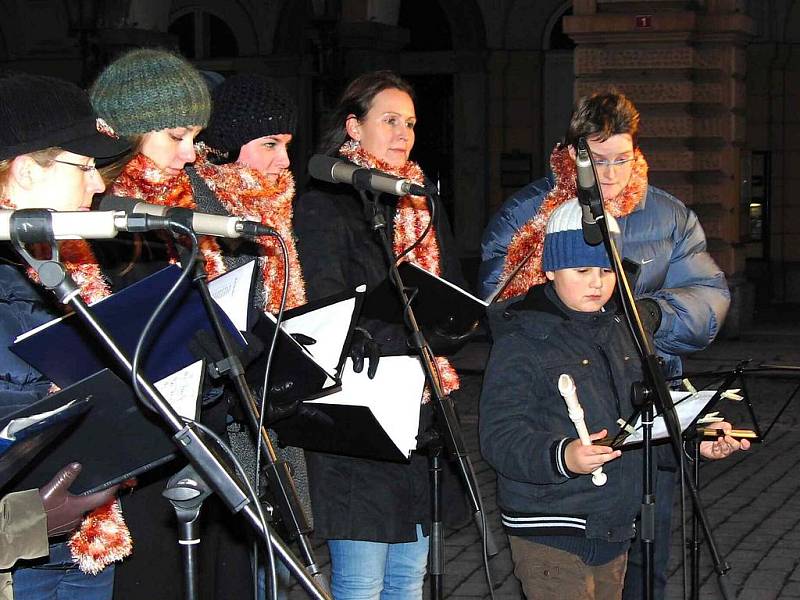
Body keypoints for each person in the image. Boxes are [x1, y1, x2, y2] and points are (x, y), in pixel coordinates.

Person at [477, 91, 731, 599]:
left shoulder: (668, 215)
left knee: (643, 568)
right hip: (558, 448)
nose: (613, 172)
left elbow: (709, 297)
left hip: (640, 413)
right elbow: (499, 307)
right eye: (599, 159)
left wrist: (649, 317)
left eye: (623, 158)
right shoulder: (530, 212)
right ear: (574, 154)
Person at [293, 70, 466, 599]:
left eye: (410, 123)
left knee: (407, 579)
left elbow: (450, 291)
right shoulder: (324, 204)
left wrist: (450, 324)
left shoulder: (418, 202)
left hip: (420, 407)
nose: (403, 133)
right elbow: (328, 306)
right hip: (359, 409)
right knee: (361, 581)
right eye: (389, 120)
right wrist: (408, 333)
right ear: (353, 127)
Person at [89, 48, 254, 600]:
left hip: (205, 416)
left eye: (195, 138)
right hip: (142, 436)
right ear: (126, 133)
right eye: (176, 136)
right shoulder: (95, 209)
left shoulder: (193, 193)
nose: (189, 154)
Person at [0, 72, 131, 599]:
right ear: (27, 171)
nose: (100, 185)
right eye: (85, 167)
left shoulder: (56, 267)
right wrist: (27, 520)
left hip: (78, 537)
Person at [193, 72, 310, 598]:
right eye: (269, 145)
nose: (284, 162)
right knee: (236, 569)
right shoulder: (202, 211)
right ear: (223, 146)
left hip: (271, 414)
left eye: (287, 145)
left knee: (274, 566)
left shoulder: (274, 212)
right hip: (227, 418)